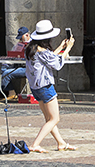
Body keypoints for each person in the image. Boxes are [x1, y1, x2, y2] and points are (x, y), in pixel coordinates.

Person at [25, 19, 76, 153]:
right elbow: (57, 64)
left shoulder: (32, 49)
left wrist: (61, 47)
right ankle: (35, 144)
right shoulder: (42, 51)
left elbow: (49, 58)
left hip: (35, 87)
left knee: (49, 118)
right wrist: (68, 48)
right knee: (54, 119)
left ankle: (61, 143)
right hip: (45, 86)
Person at [0, 26, 29, 100]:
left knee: (7, 73)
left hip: (27, 67)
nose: (20, 40)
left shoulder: (31, 45)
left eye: (21, 38)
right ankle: (11, 91)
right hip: (17, 64)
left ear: (27, 35)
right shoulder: (19, 44)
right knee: (3, 68)